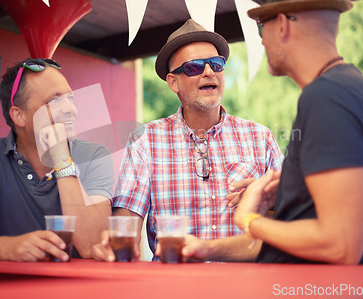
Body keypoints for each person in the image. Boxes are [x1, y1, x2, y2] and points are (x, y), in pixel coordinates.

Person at [234, 0, 363, 264]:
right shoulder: (353, 88)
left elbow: (341, 244)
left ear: (282, 25)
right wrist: (201, 247)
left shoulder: (327, 96)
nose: (261, 39)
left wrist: (248, 220)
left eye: (261, 27)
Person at [93, 19, 284, 262]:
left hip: (247, 286)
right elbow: (125, 224)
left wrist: (264, 205)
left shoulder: (261, 138)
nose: (208, 72)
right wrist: (113, 244)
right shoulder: (146, 141)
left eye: (216, 64)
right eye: (194, 67)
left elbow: (292, 220)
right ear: (174, 82)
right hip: (174, 287)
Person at [0, 58, 113, 261]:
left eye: (70, 98)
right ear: (19, 116)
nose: (71, 109)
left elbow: (94, 245)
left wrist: (62, 159)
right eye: (54, 101)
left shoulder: (95, 156)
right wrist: (10, 247)